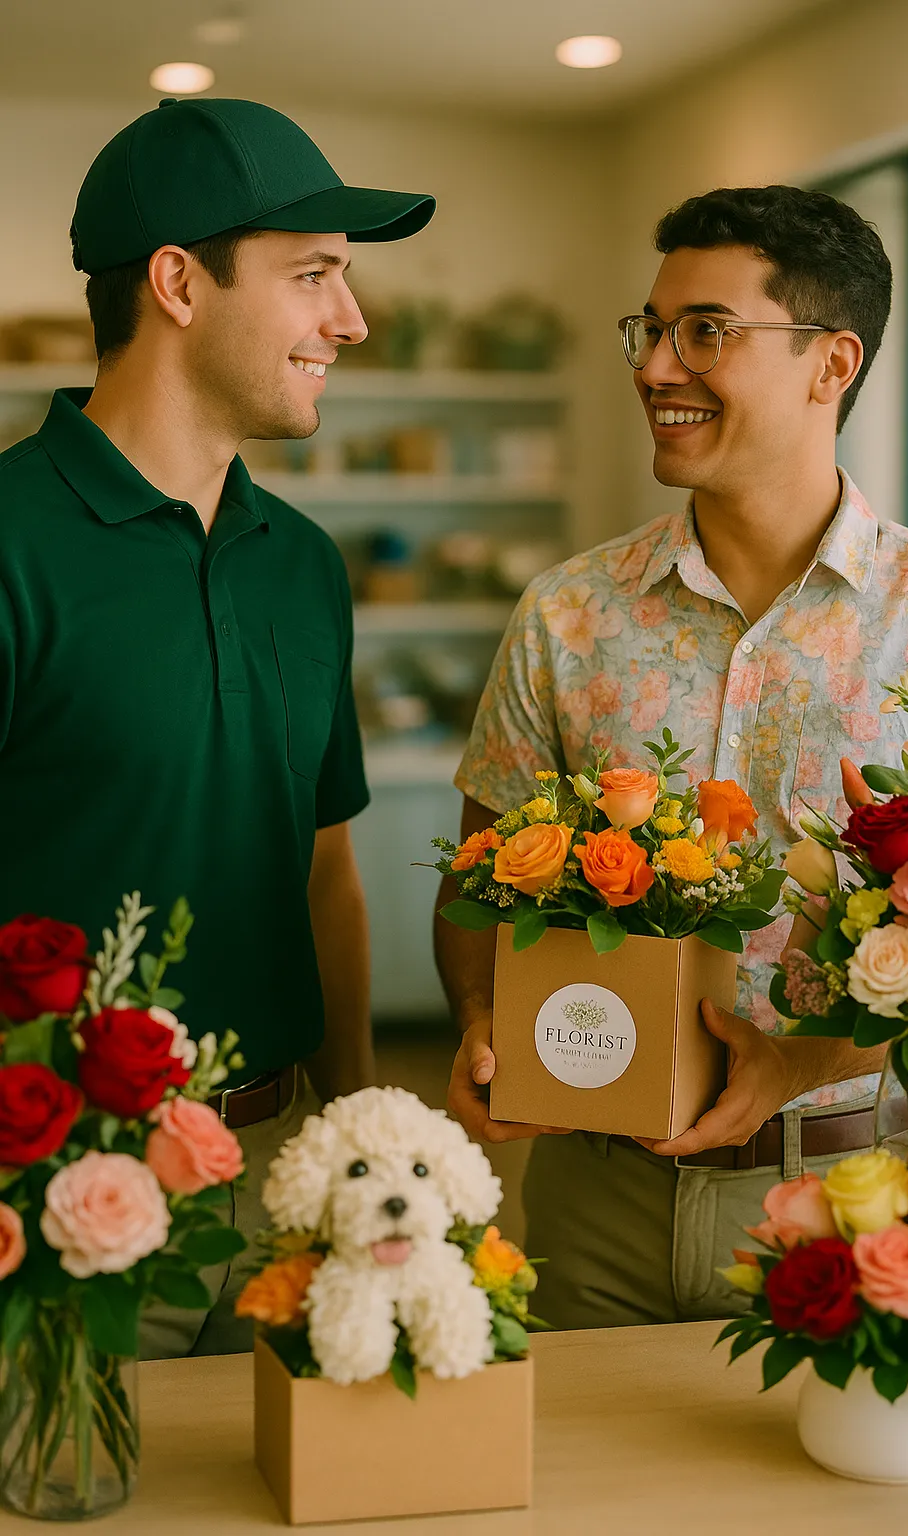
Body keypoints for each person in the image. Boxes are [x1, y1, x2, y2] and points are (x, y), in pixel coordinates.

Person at [437, 184, 908, 1330]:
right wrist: (478, 1017)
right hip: (589, 1196)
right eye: (651, 330)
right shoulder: (567, 613)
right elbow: (475, 885)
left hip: (857, 1205)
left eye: (705, 331)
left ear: (829, 363)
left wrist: (800, 1063)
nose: (657, 367)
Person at [0, 96, 435, 1355]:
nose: (350, 320)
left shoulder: (300, 561)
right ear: (179, 284)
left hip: (284, 1179)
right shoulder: (11, 543)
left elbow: (324, 866)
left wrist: (357, 1129)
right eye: (312, 276)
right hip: (61, 1201)